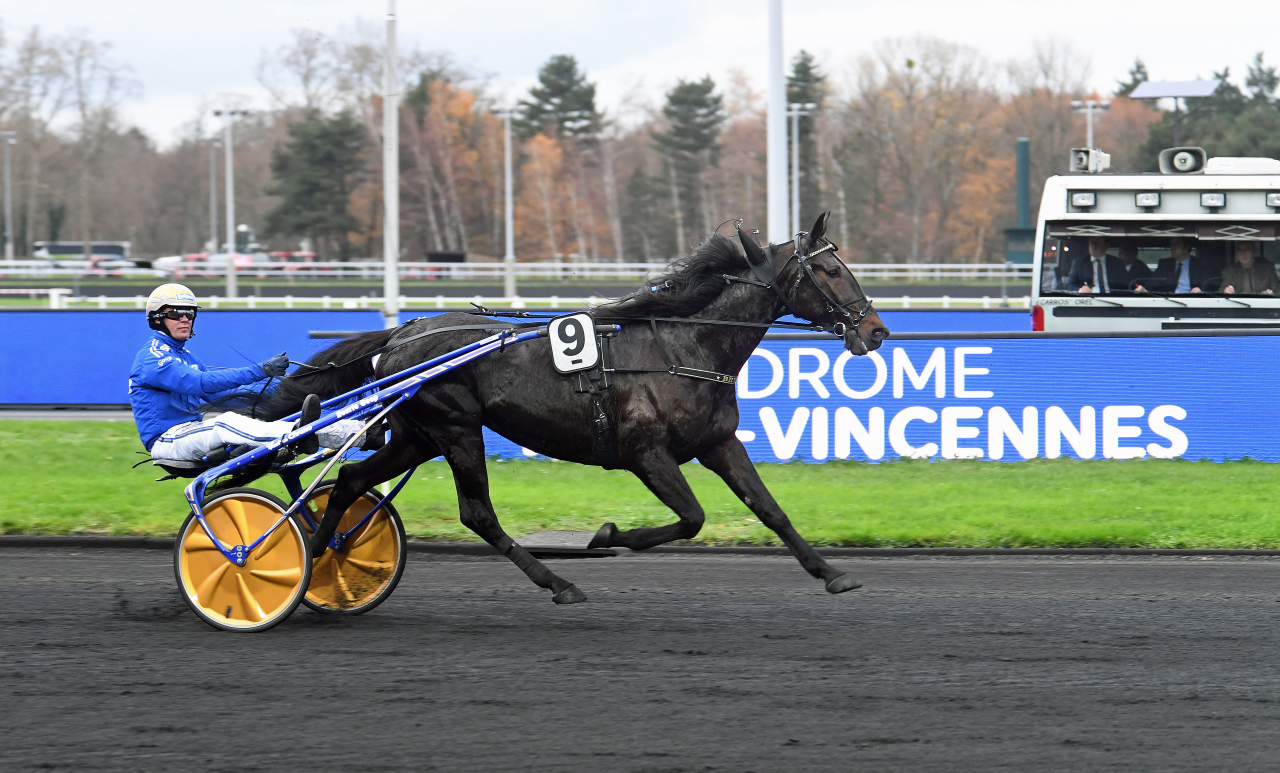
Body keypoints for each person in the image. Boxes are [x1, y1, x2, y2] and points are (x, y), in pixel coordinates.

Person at [130, 283, 363, 462]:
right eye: (175, 314)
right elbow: (202, 383)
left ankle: (358, 432)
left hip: (190, 433)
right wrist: (260, 370)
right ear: (157, 319)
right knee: (225, 424)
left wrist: (293, 390)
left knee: (249, 420)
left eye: (189, 314)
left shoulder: (186, 358)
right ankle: (302, 434)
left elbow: (224, 397)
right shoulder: (152, 357)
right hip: (167, 440)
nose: (184, 319)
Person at [1134, 238, 1217, 294]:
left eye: (1176, 244)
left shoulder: (1200, 264)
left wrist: (1201, 291)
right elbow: (1152, 285)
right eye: (1171, 244)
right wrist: (1144, 290)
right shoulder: (1164, 264)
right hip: (1168, 303)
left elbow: (1209, 286)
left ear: (1187, 248)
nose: (1172, 247)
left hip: (1193, 303)